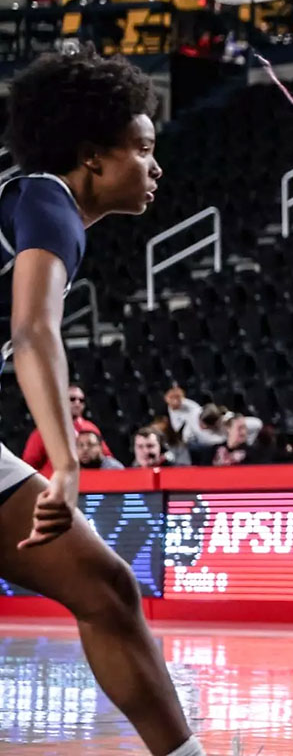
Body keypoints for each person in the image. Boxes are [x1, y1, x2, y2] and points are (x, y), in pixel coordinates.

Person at [1, 49, 203, 756]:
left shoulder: (29, 204)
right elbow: (33, 330)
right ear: (92, 156)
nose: (156, 167)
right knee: (107, 589)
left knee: (106, 588)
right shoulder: (48, 200)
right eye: (142, 150)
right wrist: (65, 464)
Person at [22, 384, 111, 475]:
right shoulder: (45, 430)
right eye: (72, 399)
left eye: (81, 400)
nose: (77, 403)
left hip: (89, 480)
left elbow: (106, 457)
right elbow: (29, 463)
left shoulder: (91, 428)